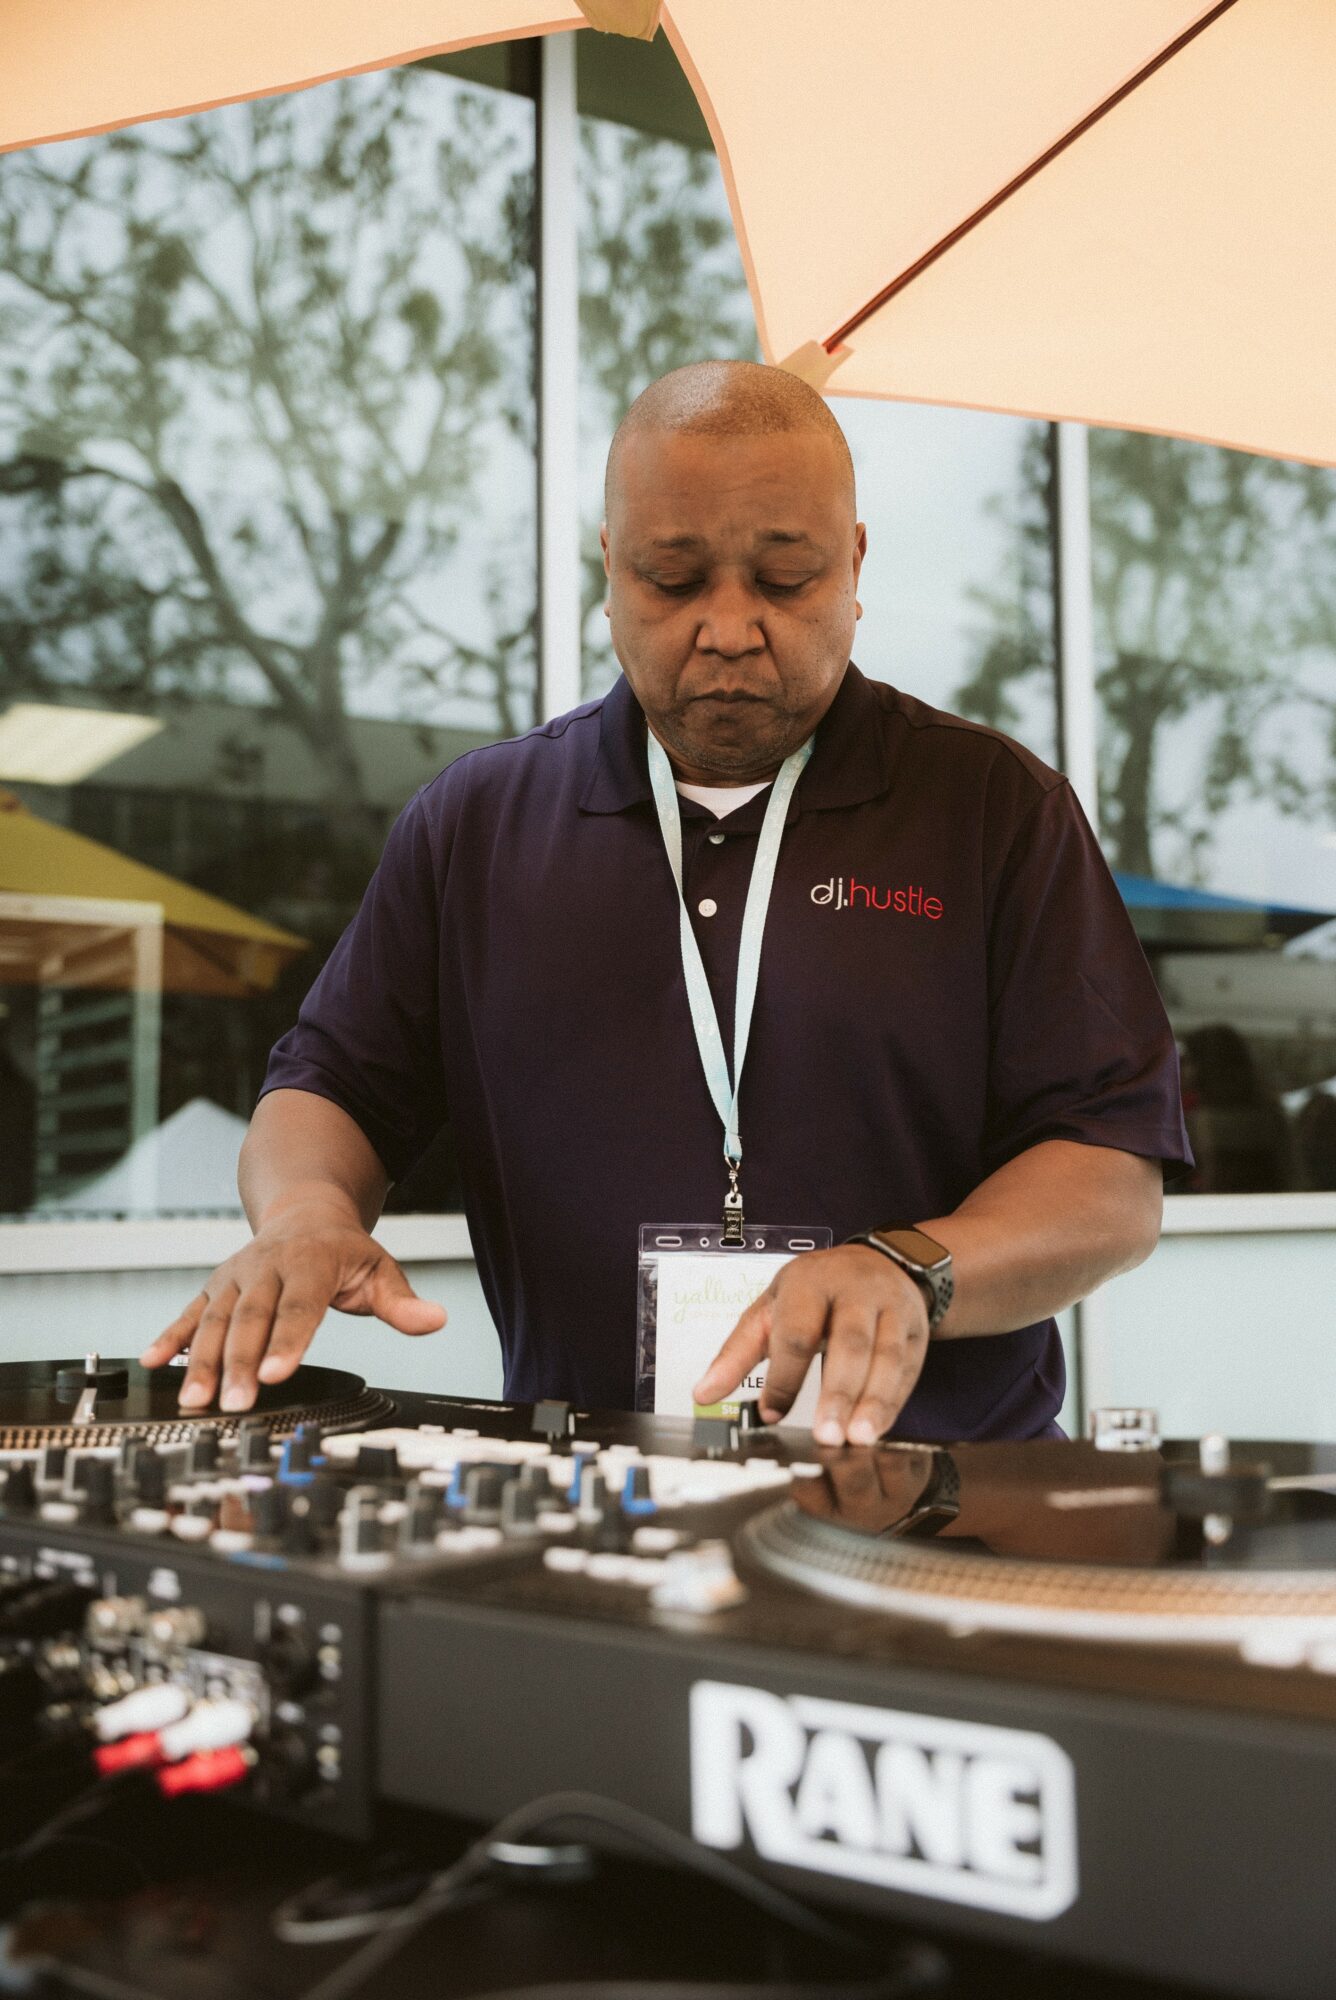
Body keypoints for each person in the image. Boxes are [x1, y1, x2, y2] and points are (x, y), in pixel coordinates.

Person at [142, 361, 1190, 1446]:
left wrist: (909, 1267)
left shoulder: (993, 810)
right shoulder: (478, 823)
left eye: (783, 579)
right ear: (608, 567)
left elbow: (1109, 1178)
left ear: (855, 564)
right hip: (585, 1505)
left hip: (948, 1506)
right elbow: (329, 1085)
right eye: (673, 578)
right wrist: (309, 1212)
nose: (729, 626)